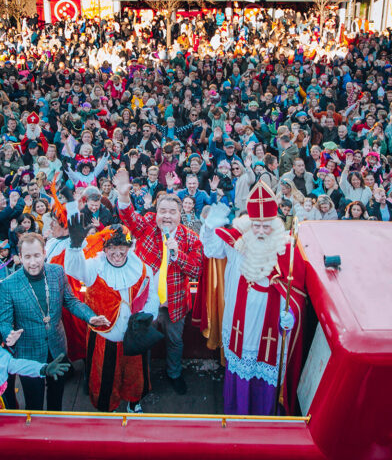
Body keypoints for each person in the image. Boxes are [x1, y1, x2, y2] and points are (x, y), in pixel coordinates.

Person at [199, 181, 308, 415]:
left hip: (268, 327)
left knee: (265, 370)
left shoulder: (286, 249)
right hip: (238, 321)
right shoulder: (236, 243)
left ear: (275, 225)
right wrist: (210, 225)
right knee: (239, 365)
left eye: (265, 226)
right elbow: (211, 250)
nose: (259, 231)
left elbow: (296, 292)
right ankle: (236, 412)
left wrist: (292, 314)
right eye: (255, 225)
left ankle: (265, 418)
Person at [112, 167, 203, 395]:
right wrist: (124, 196)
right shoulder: (149, 225)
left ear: (180, 215)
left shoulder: (190, 238)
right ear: (157, 212)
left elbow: (196, 269)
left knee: (175, 342)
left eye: (172, 211)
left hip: (174, 301)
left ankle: (174, 374)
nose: (167, 216)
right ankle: (142, 379)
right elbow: (130, 218)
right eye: (163, 210)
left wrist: (177, 254)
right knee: (143, 342)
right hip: (145, 302)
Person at [0, 232, 107, 411]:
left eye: (37, 255)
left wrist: (90, 316)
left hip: (57, 348)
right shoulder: (8, 285)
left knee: (57, 400)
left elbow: (70, 301)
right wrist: (8, 334)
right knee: (34, 404)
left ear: (45, 253)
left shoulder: (57, 272)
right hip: (28, 353)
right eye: (28, 257)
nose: (33, 262)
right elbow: (4, 321)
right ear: (20, 257)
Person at [63, 217, 157, 412]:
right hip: (104, 336)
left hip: (134, 335)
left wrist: (148, 316)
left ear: (129, 247)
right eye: (111, 247)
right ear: (104, 248)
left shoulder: (142, 268)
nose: (117, 253)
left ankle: (133, 402)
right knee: (106, 376)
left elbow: (152, 297)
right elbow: (72, 268)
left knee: (135, 374)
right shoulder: (93, 267)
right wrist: (74, 245)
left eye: (122, 246)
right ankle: (109, 407)